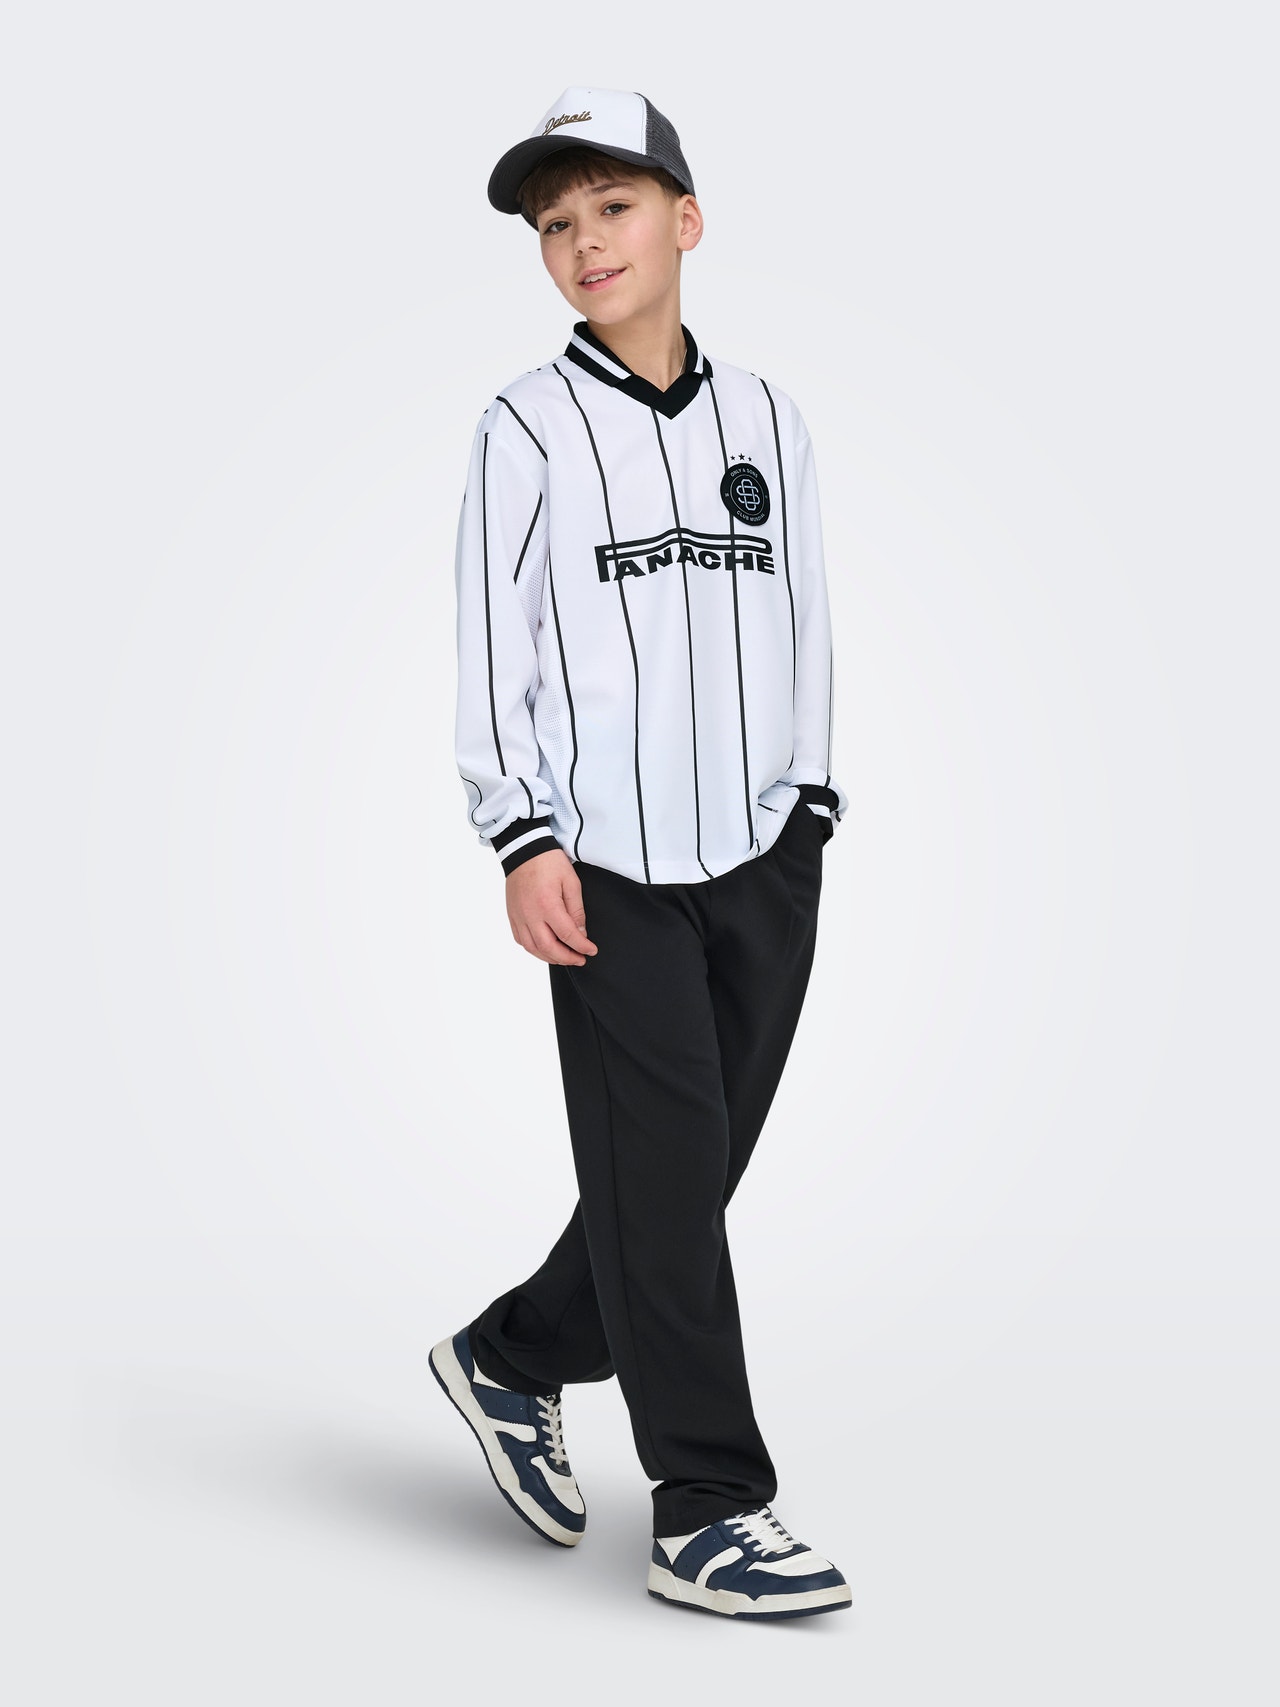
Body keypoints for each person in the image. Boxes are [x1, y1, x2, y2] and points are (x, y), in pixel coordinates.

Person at [429, 85, 852, 1622]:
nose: (585, 241)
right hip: (603, 863)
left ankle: (513, 1355)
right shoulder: (526, 426)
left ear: (685, 219)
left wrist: (811, 805)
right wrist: (520, 834)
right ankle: (707, 1506)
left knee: (689, 1170)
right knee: (665, 1182)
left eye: (612, 207)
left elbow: (804, 617)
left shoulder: (768, 419)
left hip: (763, 852)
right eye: (556, 223)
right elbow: (493, 647)